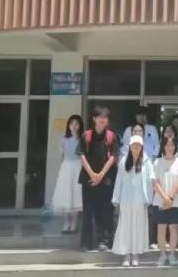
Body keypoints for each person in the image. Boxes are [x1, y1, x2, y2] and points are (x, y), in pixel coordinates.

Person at [77, 106, 118, 251]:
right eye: (100, 117)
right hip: (88, 179)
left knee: (106, 211)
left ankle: (104, 242)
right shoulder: (86, 135)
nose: (103, 120)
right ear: (94, 119)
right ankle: (86, 243)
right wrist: (92, 174)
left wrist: (100, 175)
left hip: (106, 180)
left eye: (105, 117)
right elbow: (81, 155)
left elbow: (113, 157)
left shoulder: (112, 136)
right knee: (88, 211)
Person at [111, 135, 155, 266]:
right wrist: (116, 198)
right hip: (126, 199)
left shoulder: (147, 162)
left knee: (138, 227)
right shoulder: (124, 161)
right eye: (133, 145)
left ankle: (135, 254)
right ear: (130, 147)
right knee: (126, 227)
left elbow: (151, 181)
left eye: (138, 146)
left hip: (140, 200)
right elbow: (119, 181)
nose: (136, 148)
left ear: (141, 147)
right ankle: (126, 254)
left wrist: (149, 199)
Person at [153, 135, 178, 266]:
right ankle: (162, 254)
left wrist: (170, 197)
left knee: (173, 228)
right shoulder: (157, 162)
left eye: (172, 145)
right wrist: (164, 197)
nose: (169, 147)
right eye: (167, 145)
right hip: (159, 200)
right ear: (163, 146)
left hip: (174, 201)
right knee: (161, 228)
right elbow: (155, 182)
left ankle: (171, 254)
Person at [52, 114, 84, 234]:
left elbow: (83, 156)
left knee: (76, 195)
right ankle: (67, 222)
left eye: (76, 124)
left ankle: (74, 223)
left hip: (78, 167)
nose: (74, 126)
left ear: (80, 126)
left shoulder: (82, 139)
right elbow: (62, 156)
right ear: (68, 126)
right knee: (66, 194)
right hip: (66, 168)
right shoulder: (63, 139)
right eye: (71, 124)